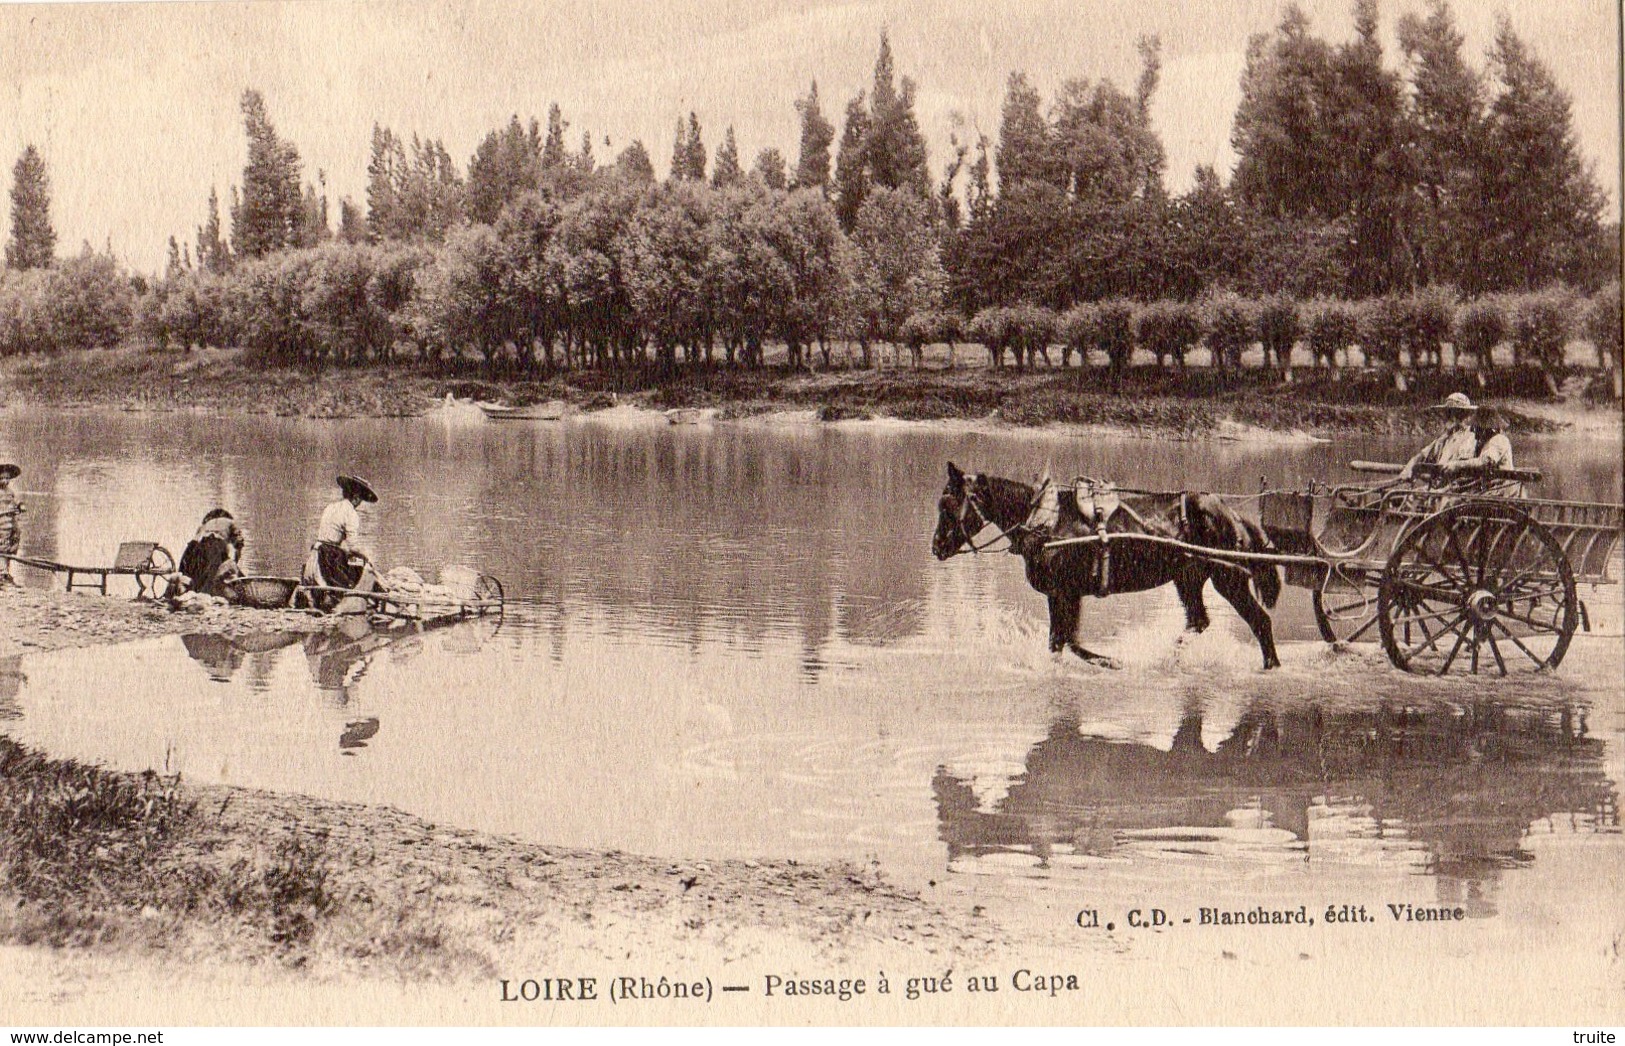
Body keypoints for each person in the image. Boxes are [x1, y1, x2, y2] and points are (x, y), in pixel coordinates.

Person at [1398, 393, 1521, 496]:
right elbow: (1423, 455)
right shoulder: (1444, 438)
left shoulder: (1490, 439)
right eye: (1448, 413)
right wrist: (1409, 469)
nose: (1448, 418)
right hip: (1466, 485)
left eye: (1457, 414)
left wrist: (1455, 466)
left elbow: (1484, 462)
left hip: (1494, 489)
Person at [302, 475, 379, 611]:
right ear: (355, 497)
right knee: (356, 577)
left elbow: (331, 536)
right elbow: (353, 545)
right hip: (328, 557)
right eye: (360, 499)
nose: (360, 503)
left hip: (316, 552)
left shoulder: (331, 507)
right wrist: (368, 557)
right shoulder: (350, 513)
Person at [176, 508, 246, 598]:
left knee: (190, 576)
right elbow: (239, 544)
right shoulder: (231, 522)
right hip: (214, 545)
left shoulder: (204, 526)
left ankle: (185, 593)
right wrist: (236, 561)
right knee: (212, 576)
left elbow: (195, 543)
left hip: (192, 548)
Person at [0, 463, 23, 586]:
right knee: (2, 546)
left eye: (7, 478)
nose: (5, 481)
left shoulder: (10, 492)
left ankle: (6, 571)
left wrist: (19, 506)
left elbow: (15, 502)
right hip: (1, 522)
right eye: (2, 478)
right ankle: (2, 573)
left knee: (12, 543)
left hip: (11, 521)